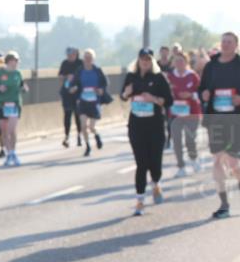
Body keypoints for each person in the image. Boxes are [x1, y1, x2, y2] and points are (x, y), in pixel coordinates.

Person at [120, 49, 173, 215]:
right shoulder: (131, 76)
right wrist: (126, 93)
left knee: (155, 163)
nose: (145, 61)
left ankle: (156, 183)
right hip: (136, 126)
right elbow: (122, 96)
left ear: (152, 61)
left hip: (155, 126)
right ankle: (140, 201)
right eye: (142, 58)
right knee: (141, 164)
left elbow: (169, 101)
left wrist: (154, 99)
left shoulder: (158, 78)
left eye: (148, 59)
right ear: (138, 60)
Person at [199, 31, 240, 219]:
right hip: (215, 119)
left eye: (229, 42)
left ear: (236, 45)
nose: (225, 44)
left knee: (232, 163)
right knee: (217, 160)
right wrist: (204, 94)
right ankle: (224, 204)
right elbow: (202, 88)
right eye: (223, 41)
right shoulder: (211, 65)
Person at [166, 52, 203, 177]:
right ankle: (181, 166)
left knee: (189, 140)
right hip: (176, 113)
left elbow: (201, 93)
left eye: (181, 61)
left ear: (186, 62)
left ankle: (193, 159)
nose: (179, 63)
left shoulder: (193, 76)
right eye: (176, 61)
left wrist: (191, 95)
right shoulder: (170, 77)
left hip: (192, 112)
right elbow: (166, 93)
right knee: (176, 140)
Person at [0, 51, 28, 166]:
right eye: (14, 60)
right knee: (4, 131)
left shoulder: (18, 74)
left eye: (17, 61)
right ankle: (9, 154)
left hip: (14, 104)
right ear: (8, 61)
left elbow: (22, 85)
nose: (16, 63)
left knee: (12, 130)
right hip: (1, 105)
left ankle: (13, 152)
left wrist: (24, 88)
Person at [71, 48, 109, 156]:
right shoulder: (80, 71)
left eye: (90, 57)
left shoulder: (97, 70)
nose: (87, 59)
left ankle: (96, 135)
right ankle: (87, 146)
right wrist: (73, 88)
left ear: (93, 59)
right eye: (86, 57)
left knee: (91, 127)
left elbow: (105, 83)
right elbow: (73, 83)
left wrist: (101, 89)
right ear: (83, 59)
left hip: (94, 101)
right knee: (83, 125)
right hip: (83, 101)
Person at [59, 47, 84, 147]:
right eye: (68, 55)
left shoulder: (80, 63)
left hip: (78, 93)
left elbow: (84, 76)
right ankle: (67, 136)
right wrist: (66, 77)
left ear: (76, 54)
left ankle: (79, 135)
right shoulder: (65, 63)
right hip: (67, 93)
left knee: (78, 115)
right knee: (67, 115)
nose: (70, 57)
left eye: (72, 55)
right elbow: (60, 77)